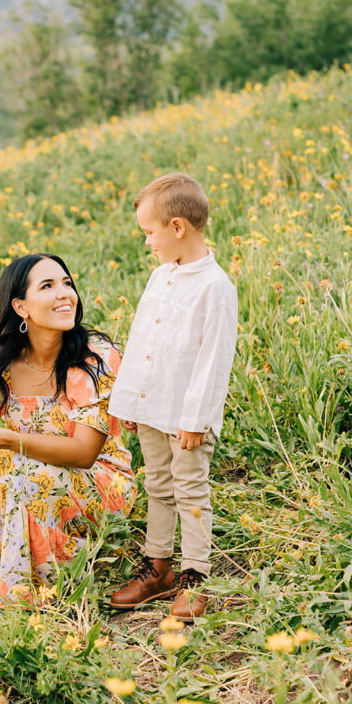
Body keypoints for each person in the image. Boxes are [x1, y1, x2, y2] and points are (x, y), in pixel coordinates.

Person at [0, 254, 136, 605]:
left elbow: (84, 454)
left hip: (97, 480)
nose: (65, 294)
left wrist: (6, 439)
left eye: (67, 283)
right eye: (47, 286)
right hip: (17, 471)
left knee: (24, 470)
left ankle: (36, 592)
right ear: (20, 307)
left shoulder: (96, 358)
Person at [108, 173, 238, 620]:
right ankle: (158, 568)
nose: (148, 243)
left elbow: (213, 360)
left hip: (186, 418)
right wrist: (129, 402)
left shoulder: (214, 288)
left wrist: (196, 419)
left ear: (178, 227)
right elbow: (142, 340)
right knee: (158, 486)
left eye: (150, 233)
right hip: (151, 407)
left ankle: (196, 576)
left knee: (190, 491)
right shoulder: (161, 277)